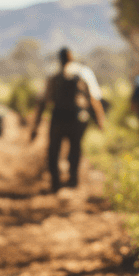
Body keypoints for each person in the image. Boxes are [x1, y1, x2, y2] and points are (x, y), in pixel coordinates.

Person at [30, 47, 107, 191]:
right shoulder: (84, 72)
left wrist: (35, 126)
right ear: (72, 57)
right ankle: (73, 180)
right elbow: (93, 98)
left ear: (59, 59)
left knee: (54, 150)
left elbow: (43, 101)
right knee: (75, 148)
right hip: (78, 118)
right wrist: (100, 120)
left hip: (58, 117)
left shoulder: (53, 74)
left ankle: (55, 183)